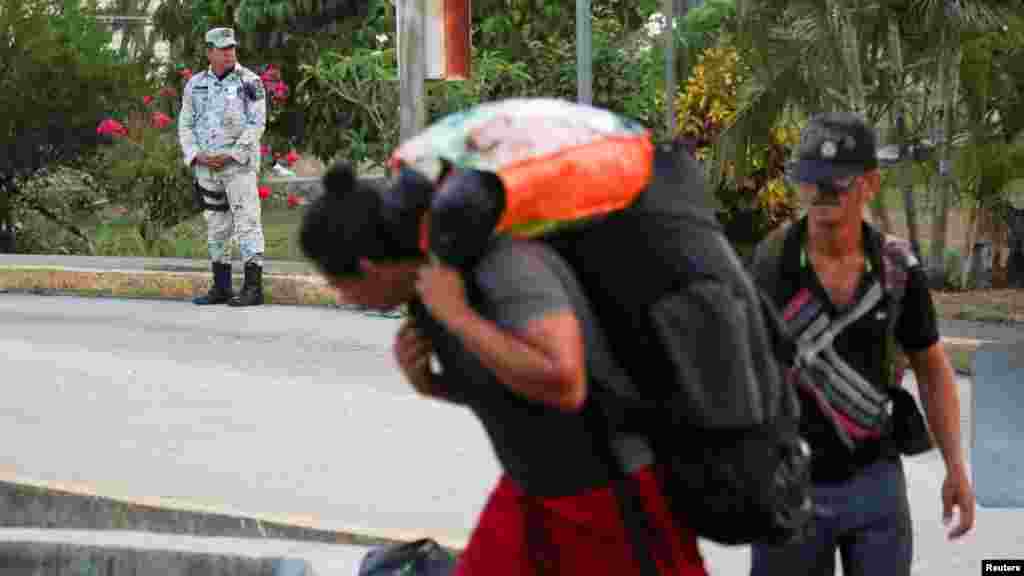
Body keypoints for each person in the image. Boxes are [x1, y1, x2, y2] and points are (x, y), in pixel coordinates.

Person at [299, 164, 707, 576]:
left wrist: (459, 317)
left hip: (609, 493)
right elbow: (511, 390)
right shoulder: (432, 291)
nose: (344, 299)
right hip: (532, 491)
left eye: (339, 286)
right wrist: (432, 384)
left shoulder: (502, 264)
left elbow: (564, 382)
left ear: (369, 268)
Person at [749, 112, 976, 576]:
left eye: (838, 182)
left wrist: (955, 467)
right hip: (791, 482)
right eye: (813, 182)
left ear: (870, 183)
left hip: (876, 483)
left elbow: (931, 365)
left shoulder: (897, 268)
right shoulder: (771, 264)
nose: (823, 193)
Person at [179, 27, 267, 307]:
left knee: (247, 222)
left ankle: (253, 288)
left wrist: (232, 154)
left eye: (231, 48)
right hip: (207, 169)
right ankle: (222, 286)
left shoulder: (249, 82)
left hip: (238, 167)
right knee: (216, 226)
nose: (229, 52)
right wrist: (196, 155)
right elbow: (186, 124)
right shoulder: (195, 85)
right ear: (210, 52)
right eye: (223, 48)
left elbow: (257, 124)